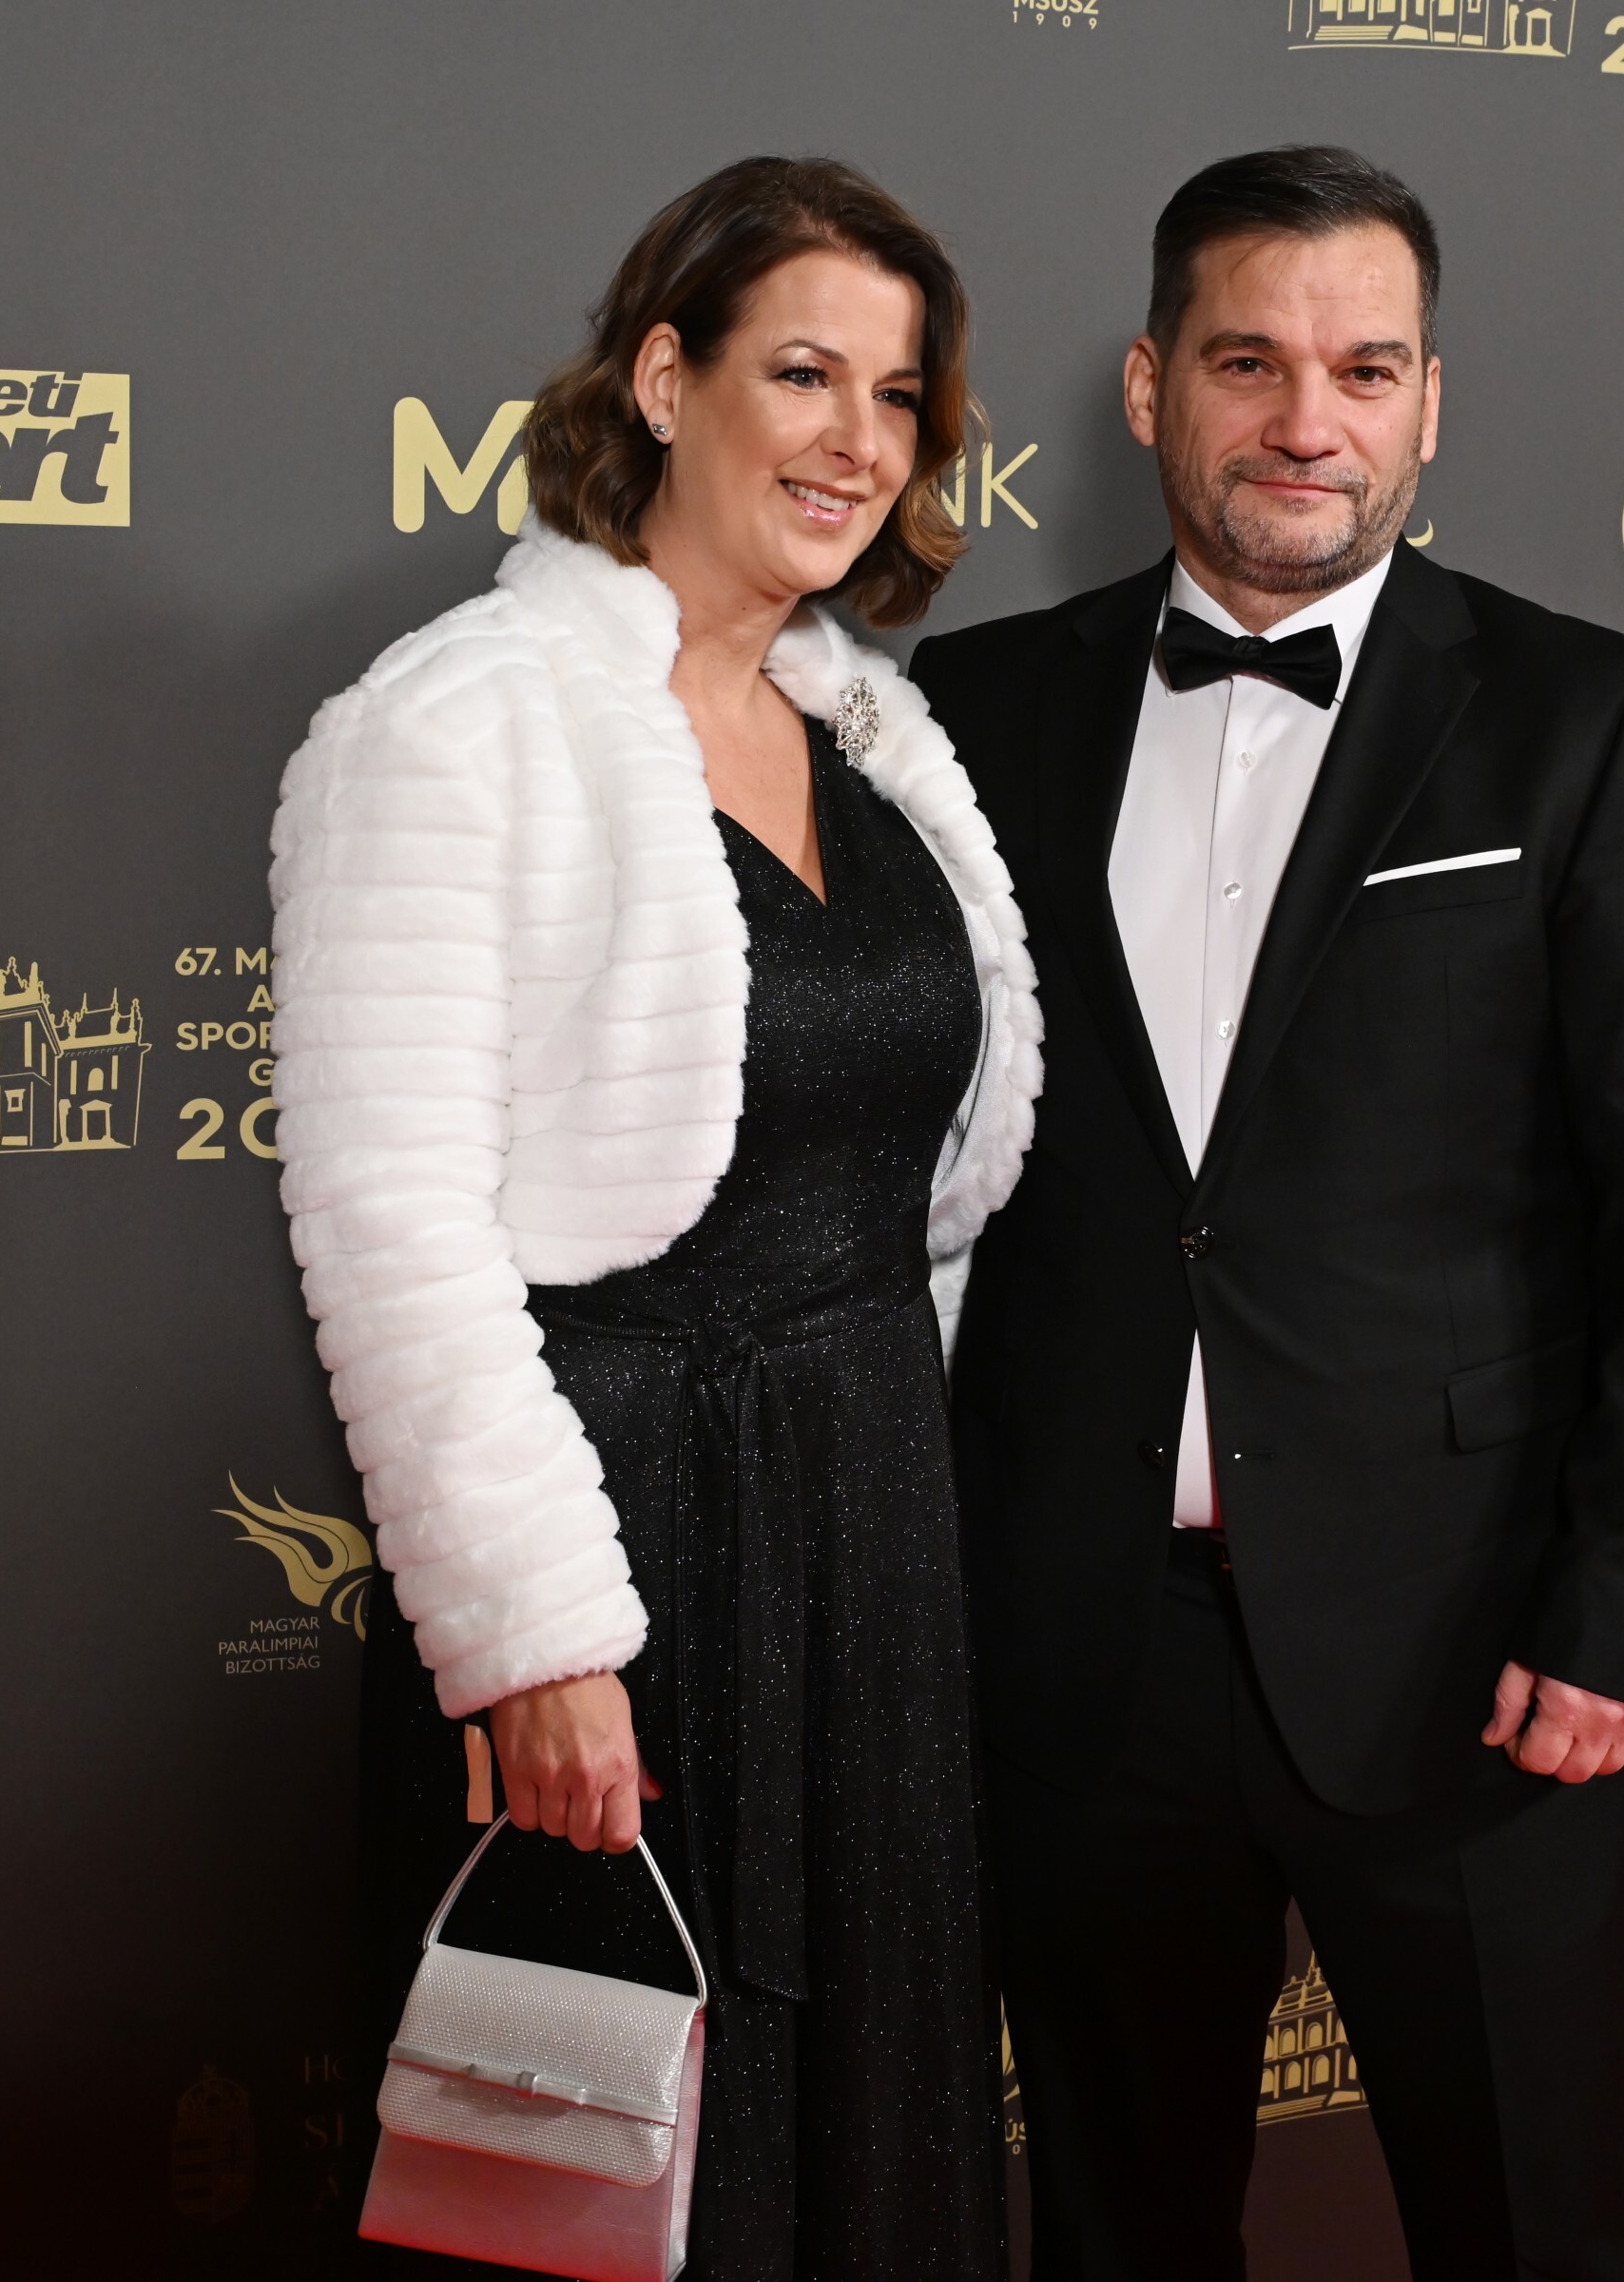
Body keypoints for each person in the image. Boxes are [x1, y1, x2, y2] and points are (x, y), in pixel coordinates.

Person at [911, 145, 1624, 2282]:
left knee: (1535, 2234)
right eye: (1251, 362)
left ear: (1429, 403)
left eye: (1366, 369)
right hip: (1084, 1658)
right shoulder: (968, 716)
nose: (1310, 419)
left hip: (1471, 1657)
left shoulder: (1583, 717)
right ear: (1149, 387)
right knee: (1116, 2236)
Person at [269, 156, 1037, 2281]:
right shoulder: (456, 721)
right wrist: (535, 1641)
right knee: (607, 2165)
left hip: (870, 1537)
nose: (858, 439)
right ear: (667, 377)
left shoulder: (871, 733)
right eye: (803, 372)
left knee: (870, 2129)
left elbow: (924, 1190)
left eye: (899, 395)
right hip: (618, 1549)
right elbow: (390, 1220)